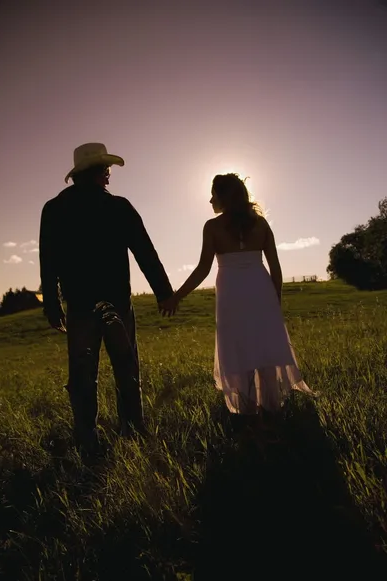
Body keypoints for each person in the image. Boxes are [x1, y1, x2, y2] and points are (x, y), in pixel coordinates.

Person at [39, 142, 174, 458]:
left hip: (80, 306)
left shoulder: (54, 209)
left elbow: (49, 260)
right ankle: (134, 430)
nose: (109, 177)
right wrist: (164, 292)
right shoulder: (119, 207)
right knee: (126, 369)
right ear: (100, 172)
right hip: (116, 304)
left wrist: (51, 305)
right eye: (106, 171)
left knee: (83, 376)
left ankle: (88, 442)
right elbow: (145, 251)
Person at [165, 173, 312, 416]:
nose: (210, 200)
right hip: (261, 289)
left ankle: (247, 409)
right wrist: (276, 300)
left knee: (238, 347)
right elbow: (275, 267)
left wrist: (177, 296)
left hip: (232, 293)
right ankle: (270, 408)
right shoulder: (261, 223)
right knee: (264, 346)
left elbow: (203, 268)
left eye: (213, 194)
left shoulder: (212, 227)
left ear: (223, 197)